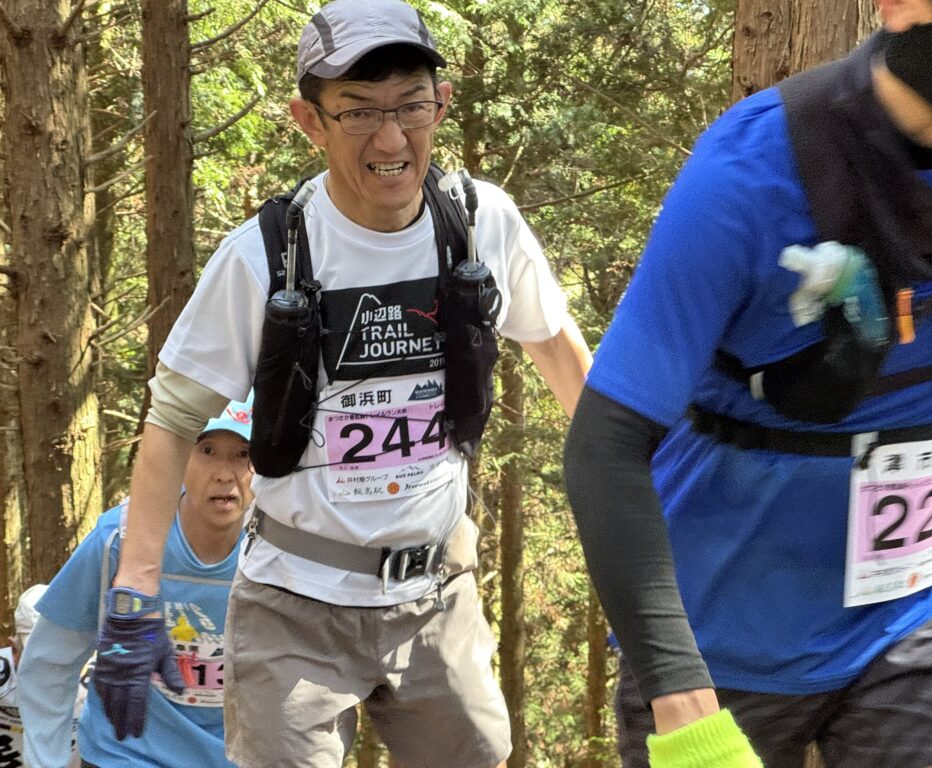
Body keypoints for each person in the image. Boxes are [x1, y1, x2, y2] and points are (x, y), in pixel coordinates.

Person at [88, 2, 592, 766]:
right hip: (295, 606)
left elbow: (557, 350)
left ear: (441, 105)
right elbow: (174, 418)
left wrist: (639, 521)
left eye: (410, 106)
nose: (390, 140)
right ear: (310, 122)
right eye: (358, 112)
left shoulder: (480, 224)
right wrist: (136, 587)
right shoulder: (265, 253)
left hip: (438, 595)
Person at [564, 1, 932, 767]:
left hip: (913, 611)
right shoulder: (749, 170)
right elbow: (604, 445)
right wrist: (684, 708)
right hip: (721, 641)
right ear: (904, 6)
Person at [19, 398, 254, 768]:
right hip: (123, 755)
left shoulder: (277, 549)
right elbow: (50, 660)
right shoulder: (118, 540)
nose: (225, 474)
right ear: (179, 457)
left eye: (243, 454)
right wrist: (47, 762)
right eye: (207, 450)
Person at [0, 584, 85, 768]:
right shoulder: (3, 676)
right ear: (15, 651)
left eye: (63, 654)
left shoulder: (97, 682)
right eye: (38, 660)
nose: (53, 668)